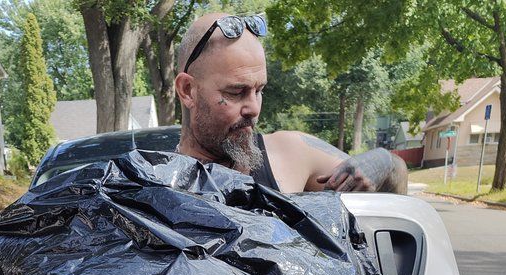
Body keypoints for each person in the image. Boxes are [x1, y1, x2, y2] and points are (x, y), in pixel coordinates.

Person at [174, 12, 407, 194]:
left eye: (259, 90)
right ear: (187, 91)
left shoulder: (290, 154)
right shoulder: (160, 183)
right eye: (236, 92)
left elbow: (395, 173)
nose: (254, 108)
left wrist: (383, 161)